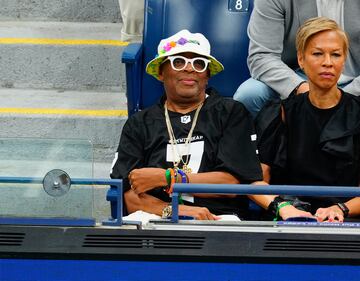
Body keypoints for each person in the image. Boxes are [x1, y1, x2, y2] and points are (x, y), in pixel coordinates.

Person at [110, 29, 263, 220]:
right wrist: (175, 211)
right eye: (178, 61)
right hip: (155, 219)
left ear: (207, 75)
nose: (189, 68)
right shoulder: (139, 124)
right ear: (160, 73)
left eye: (199, 63)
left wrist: (167, 178)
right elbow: (130, 195)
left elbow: (233, 184)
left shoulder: (231, 113)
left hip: (219, 218)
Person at [251, 17, 360, 222]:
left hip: (347, 221)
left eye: (335, 54)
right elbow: (256, 180)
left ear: (343, 60)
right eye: (317, 54)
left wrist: (341, 209)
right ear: (301, 59)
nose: (327, 62)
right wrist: (282, 208)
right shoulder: (279, 112)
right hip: (288, 219)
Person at [234, 0, 360, 117]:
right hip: (298, 77)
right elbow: (262, 56)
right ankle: (272, 139)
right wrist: (301, 90)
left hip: (356, 79)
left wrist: (345, 98)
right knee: (249, 94)